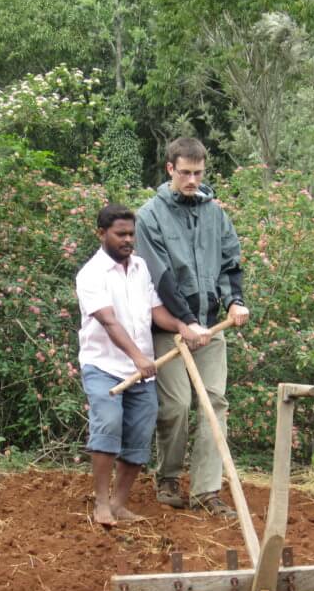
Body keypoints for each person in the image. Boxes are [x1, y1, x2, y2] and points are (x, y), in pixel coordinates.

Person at [135, 138, 250, 518]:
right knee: (178, 405)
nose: (192, 180)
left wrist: (234, 301)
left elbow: (231, 262)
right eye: (185, 172)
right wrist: (185, 323)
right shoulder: (149, 216)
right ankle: (167, 477)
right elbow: (160, 276)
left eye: (198, 173)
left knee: (214, 402)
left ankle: (206, 491)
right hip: (170, 327)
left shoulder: (216, 214)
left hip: (211, 327)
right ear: (170, 168)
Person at [76, 203, 209, 527]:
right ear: (101, 234)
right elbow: (108, 321)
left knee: (139, 435)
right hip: (104, 365)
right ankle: (102, 504)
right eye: (120, 234)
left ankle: (120, 504)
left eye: (131, 234)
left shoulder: (140, 268)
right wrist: (137, 356)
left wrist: (181, 326)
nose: (127, 240)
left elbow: (154, 311)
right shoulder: (90, 274)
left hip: (142, 372)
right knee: (108, 425)